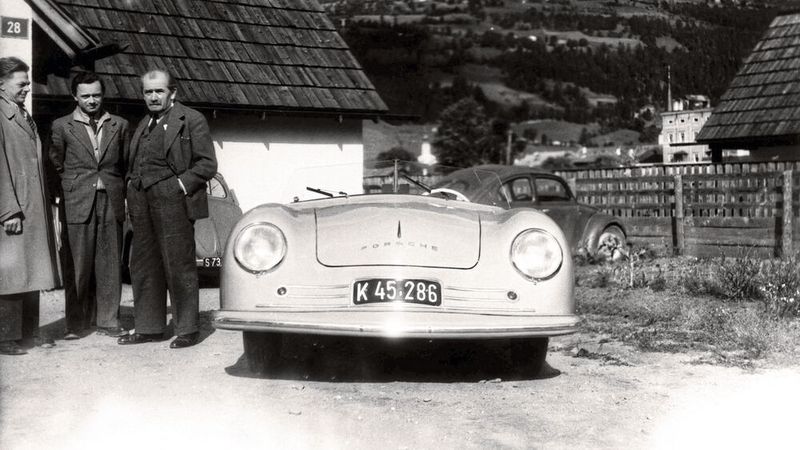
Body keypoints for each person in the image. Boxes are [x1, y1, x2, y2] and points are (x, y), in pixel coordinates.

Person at [118, 69, 216, 349]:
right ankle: (149, 328)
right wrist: (131, 186)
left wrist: (179, 186)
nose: (153, 97)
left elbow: (207, 164)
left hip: (173, 201)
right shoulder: (144, 123)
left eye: (159, 91)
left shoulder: (191, 119)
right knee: (144, 265)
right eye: (148, 92)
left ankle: (188, 329)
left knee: (178, 264)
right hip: (141, 200)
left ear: (172, 92)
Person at [49, 72, 130, 339]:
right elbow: (56, 163)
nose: (92, 100)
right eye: (85, 96)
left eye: (96, 95)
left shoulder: (119, 124)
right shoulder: (62, 126)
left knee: (109, 264)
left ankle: (108, 320)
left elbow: (125, 163)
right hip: (77, 200)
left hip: (111, 199)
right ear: (75, 96)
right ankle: (75, 323)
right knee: (78, 265)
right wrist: (73, 186)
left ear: (102, 95)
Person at [0, 57, 60, 355]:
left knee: (32, 268)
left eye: (27, 83)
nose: (27, 88)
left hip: (31, 204)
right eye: (21, 84)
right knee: (12, 273)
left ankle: (27, 332)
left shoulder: (21, 112)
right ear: (1, 84)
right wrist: (7, 209)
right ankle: (6, 337)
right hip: (14, 208)